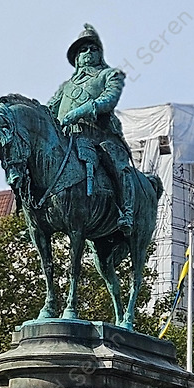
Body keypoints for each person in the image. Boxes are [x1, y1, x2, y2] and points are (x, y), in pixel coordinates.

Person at [47, 24, 135, 233]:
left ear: (100, 53)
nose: (88, 52)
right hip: (69, 138)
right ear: (76, 58)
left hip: (100, 136)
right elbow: (49, 109)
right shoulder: (66, 87)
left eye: (93, 49)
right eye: (83, 49)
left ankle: (127, 212)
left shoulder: (110, 75)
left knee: (118, 167)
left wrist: (79, 112)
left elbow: (108, 100)